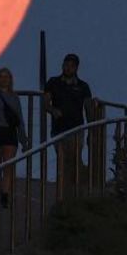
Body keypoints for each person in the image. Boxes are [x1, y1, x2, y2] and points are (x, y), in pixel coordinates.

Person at [44, 53, 98, 198]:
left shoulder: (83, 86)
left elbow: (88, 109)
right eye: (66, 64)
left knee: (74, 160)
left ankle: (76, 193)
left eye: (71, 65)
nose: (68, 68)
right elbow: (46, 103)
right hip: (58, 129)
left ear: (76, 68)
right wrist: (53, 110)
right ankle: (63, 194)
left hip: (77, 128)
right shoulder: (53, 82)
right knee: (62, 161)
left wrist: (91, 129)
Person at [0, 65, 29, 208]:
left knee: (8, 166)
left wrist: (23, 140)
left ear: (10, 80)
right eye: (1, 76)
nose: (4, 79)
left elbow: (19, 118)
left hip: (10, 133)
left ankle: (5, 195)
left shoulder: (14, 98)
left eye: (6, 77)